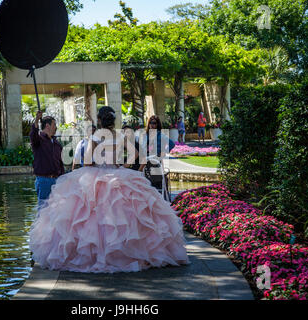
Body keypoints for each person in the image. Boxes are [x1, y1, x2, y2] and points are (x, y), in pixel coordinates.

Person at [29, 106, 188, 273]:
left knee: (93, 218)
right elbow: (137, 155)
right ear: (113, 121)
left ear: (99, 120)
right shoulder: (120, 136)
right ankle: (130, 253)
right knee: (125, 215)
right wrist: (124, 166)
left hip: (98, 175)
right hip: (118, 174)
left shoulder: (96, 137)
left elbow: (88, 162)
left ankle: (98, 253)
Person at [29, 111, 65, 209]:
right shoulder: (39, 140)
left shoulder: (57, 143)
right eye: (54, 125)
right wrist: (37, 119)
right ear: (48, 126)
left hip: (57, 180)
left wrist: (62, 177)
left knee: (56, 210)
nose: (56, 127)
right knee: (43, 210)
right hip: (44, 180)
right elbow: (33, 135)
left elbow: (60, 162)